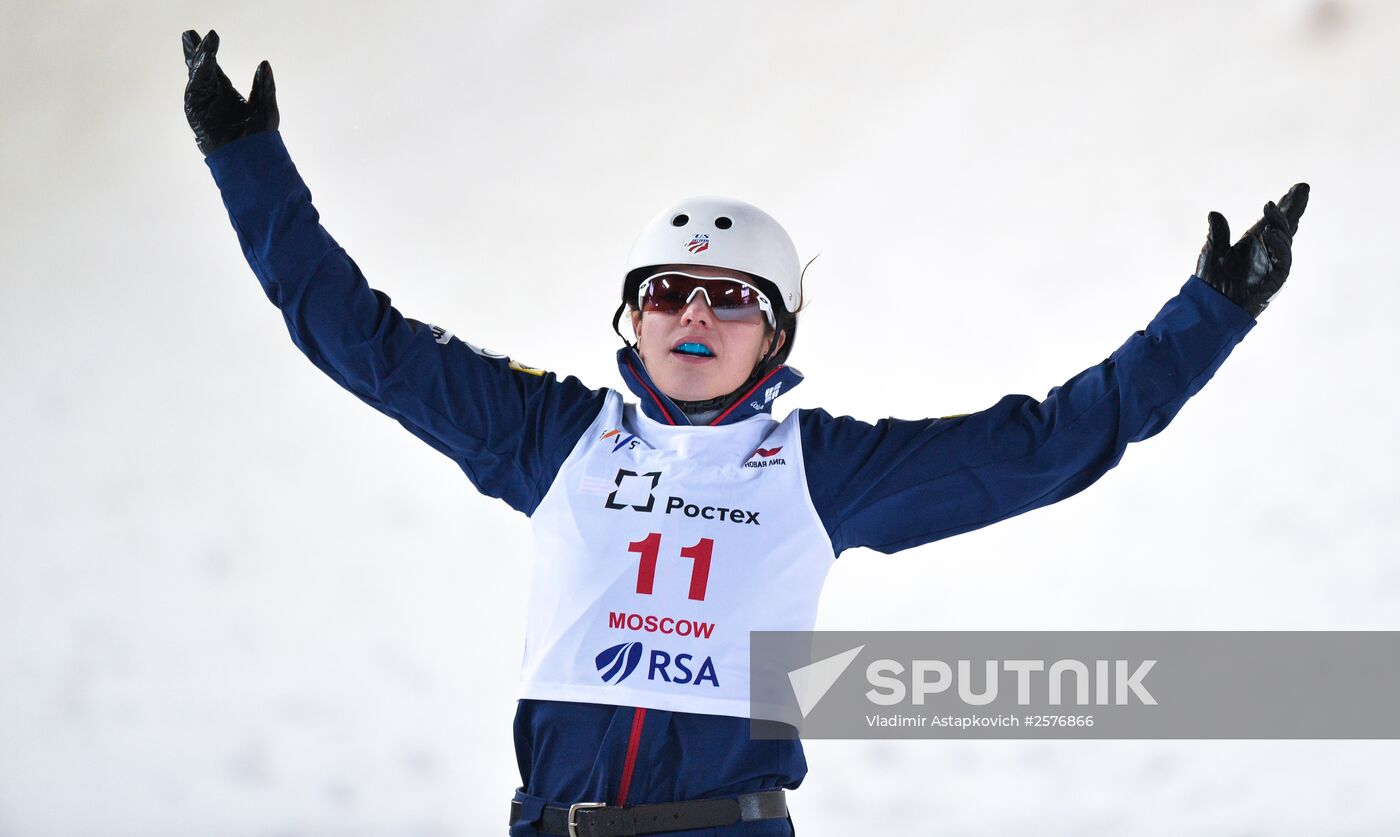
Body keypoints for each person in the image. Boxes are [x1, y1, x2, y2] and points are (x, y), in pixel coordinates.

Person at [182, 29, 1309, 837]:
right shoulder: (550, 436)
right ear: (630, 315)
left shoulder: (823, 469)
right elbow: (353, 336)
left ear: (772, 337)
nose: (692, 314)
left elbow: (1057, 441)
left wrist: (1211, 311)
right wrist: (247, 160)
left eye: (729, 299)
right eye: (667, 291)